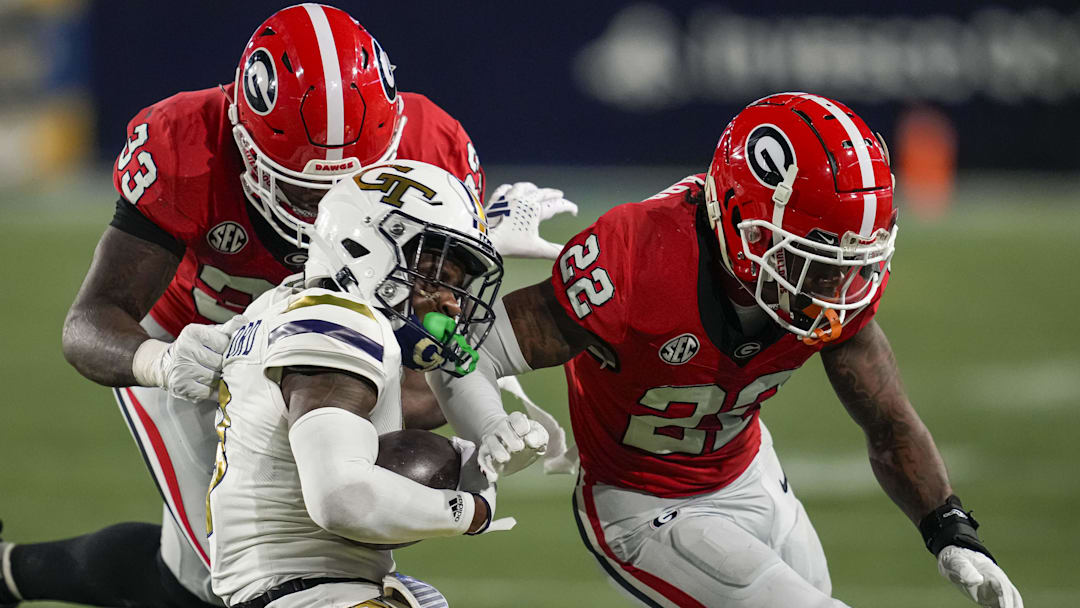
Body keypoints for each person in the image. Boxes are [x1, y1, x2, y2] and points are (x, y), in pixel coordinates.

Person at [0, 4, 564, 607]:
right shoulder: (187, 141)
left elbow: (428, 352)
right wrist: (158, 363)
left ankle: (10, 573)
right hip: (201, 351)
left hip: (340, 344)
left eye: (356, 183)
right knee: (234, 582)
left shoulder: (433, 146)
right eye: (305, 187)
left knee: (199, 580)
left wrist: (463, 249)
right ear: (243, 144)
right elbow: (89, 323)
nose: (330, 208)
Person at [429, 93, 1024, 608]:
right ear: (745, 225)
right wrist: (487, 420)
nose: (834, 289)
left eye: (850, 262)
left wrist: (950, 529)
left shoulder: (825, 292)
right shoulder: (637, 257)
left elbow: (890, 426)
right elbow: (470, 347)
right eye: (815, 259)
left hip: (749, 471)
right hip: (641, 503)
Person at [207, 160, 522, 608]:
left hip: (302, 590)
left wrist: (478, 454)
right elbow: (343, 498)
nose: (452, 304)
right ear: (367, 248)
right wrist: (473, 512)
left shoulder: (279, 305)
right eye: (439, 277)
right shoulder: (338, 321)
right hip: (308, 594)